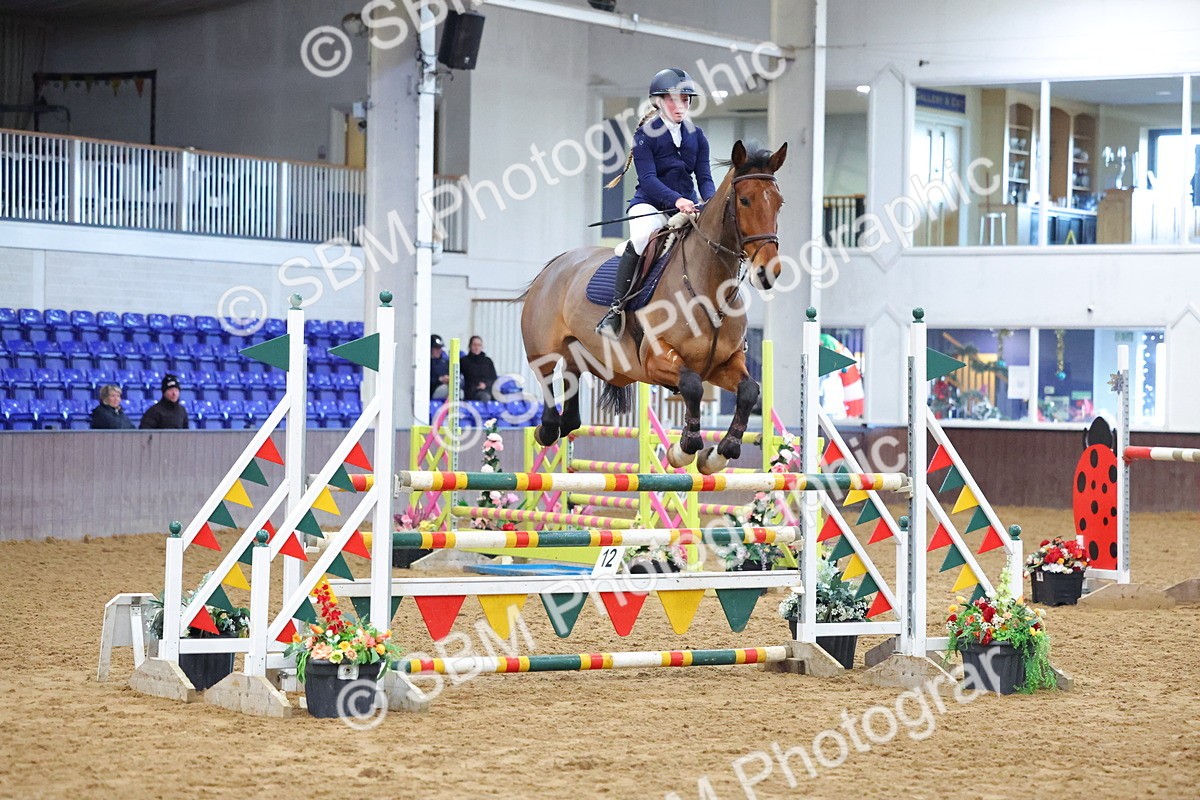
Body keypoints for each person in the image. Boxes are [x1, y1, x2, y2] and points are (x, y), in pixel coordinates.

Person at [597, 67, 716, 338]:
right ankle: (616, 310)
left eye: (685, 100)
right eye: (674, 99)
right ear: (659, 101)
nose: (680, 106)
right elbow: (648, 179)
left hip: (687, 207)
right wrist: (678, 200)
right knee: (641, 239)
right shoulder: (644, 136)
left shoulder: (697, 137)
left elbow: (705, 177)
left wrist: (709, 201)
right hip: (650, 205)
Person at [460, 335, 498, 401]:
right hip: (472, 392)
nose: (476, 347)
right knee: (485, 396)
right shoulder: (464, 361)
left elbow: (494, 378)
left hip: (488, 389)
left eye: (479, 345)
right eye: (474, 345)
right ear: (470, 346)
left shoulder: (488, 361)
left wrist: (485, 385)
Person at [430, 334, 451, 400]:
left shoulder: (445, 362)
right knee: (446, 389)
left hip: (446, 387)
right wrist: (439, 379)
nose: (439, 350)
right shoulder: (425, 363)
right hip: (432, 391)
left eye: (440, 348)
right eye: (436, 348)